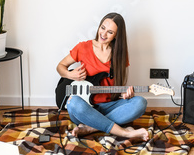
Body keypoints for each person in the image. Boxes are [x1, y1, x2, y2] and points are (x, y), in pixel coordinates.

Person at [56, 12, 149, 140]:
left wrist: (125, 94)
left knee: (140, 103)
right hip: (85, 107)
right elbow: (60, 66)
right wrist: (71, 75)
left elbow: (116, 87)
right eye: (103, 28)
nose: (103, 34)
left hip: (108, 106)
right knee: (73, 103)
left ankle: (91, 127)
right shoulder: (83, 47)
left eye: (110, 32)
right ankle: (124, 132)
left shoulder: (120, 55)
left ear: (117, 35)